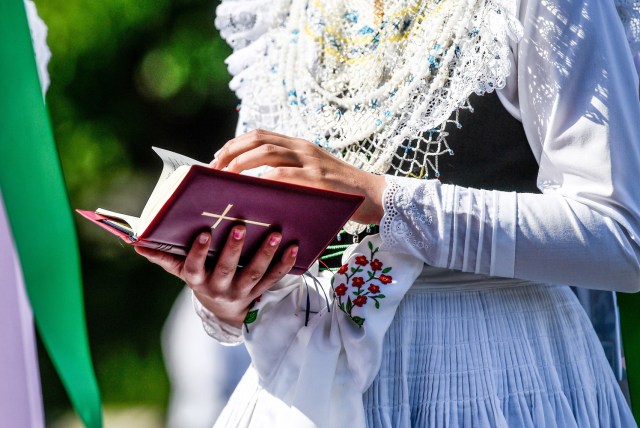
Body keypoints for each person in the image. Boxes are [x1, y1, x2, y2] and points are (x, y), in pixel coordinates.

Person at [136, 0, 640, 426]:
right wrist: (228, 292)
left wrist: (381, 198)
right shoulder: (280, 12)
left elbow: (622, 236)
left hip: (492, 380)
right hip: (296, 391)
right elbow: (275, 254)